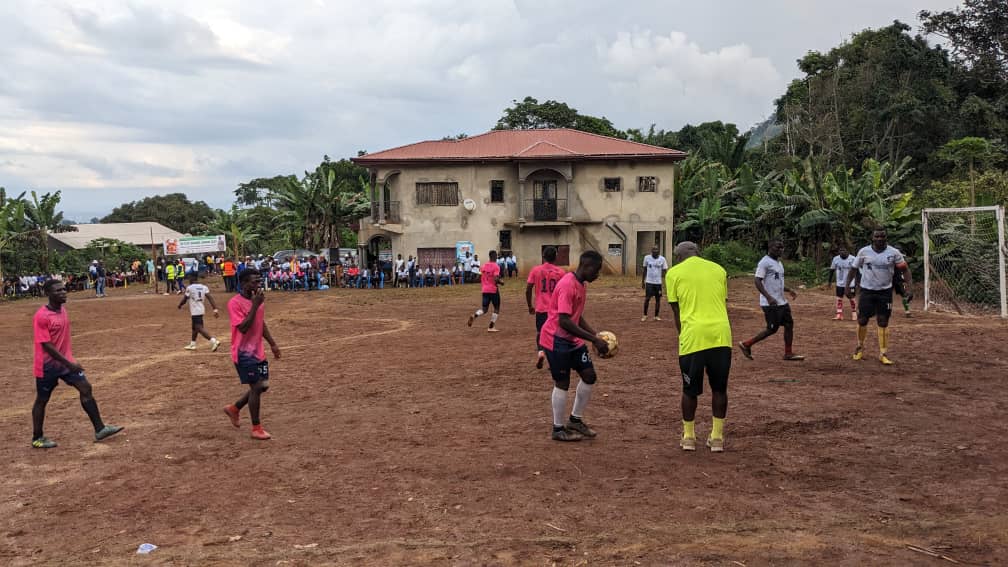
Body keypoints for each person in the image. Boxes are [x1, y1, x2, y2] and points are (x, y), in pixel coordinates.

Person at [30, 279, 124, 449]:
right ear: (48, 294)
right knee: (42, 400)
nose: (63, 292)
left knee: (86, 388)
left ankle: (100, 429)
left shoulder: (63, 310)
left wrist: (69, 361)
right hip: (48, 366)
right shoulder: (41, 316)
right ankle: (37, 437)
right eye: (58, 291)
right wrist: (69, 363)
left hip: (66, 362)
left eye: (64, 289)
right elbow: (46, 345)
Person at [665, 241, 732, 452]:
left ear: (678, 256)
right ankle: (717, 438)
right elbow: (721, 301)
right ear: (698, 252)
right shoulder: (719, 270)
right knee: (720, 388)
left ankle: (689, 436)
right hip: (721, 336)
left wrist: (683, 336)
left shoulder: (673, 273)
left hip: (693, 336)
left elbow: (677, 312)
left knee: (689, 390)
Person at [539, 250, 610, 442]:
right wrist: (594, 340)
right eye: (596, 270)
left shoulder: (581, 284)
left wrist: (595, 334)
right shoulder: (568, 285)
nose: (598, 274)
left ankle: (575, 420)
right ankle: (558, 428)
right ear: (586, 267)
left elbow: (576, 315)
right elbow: (564, 321)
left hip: (572, 340)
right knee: (562, 383)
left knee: (589, 376)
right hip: (556, 340)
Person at [222, 269, 281, 440]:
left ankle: (234, 408)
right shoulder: (235, 303)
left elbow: (260, 323)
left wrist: (273, 344)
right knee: (256, 387)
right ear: (243, 284)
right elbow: (243, 327)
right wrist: (255, 305)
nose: (258, 284)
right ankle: (256, 428)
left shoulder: (258, 300)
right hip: (243, 353)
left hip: (258, 351)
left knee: (263, 386)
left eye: (259, 281)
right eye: (254, 282)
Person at [844, 228, 912, 365]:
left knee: (883, 321)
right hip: (866, 291)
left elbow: (905, 270)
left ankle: (883, 353)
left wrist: (909, 287)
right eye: (877, 236)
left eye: (882, 236)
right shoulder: (863, 252)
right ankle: (859, 347)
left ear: (886, 238)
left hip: (885, 292)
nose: (880, 239)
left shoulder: (894, 253)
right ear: (872, 238)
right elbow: (853, 269)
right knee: (862, 320)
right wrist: (847, 286)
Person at [738, 239, 804, 361]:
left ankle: (788, 353)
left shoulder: (779, 263)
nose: (780, 250)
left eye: (782, 247)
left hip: (781, 302)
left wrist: (789, 290)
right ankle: (746, 344)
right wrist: (768, 297)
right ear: (770, 248)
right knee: (772, 329)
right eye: (777, 247)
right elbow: (757, 280)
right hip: (770, 303)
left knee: (789, 324)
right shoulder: (764, 262)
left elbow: (776, 282)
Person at [526, 246, 566, 369]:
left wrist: (530, 306)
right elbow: (564, 291)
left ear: (543, 257)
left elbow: (528, 289)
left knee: (540, 332)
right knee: (556, 335)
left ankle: (541, 352)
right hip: (555, 310)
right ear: (556, 257)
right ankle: (553, 360)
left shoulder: (536, 270)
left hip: (541, 309)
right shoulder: (560, 272)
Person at [178, 273, 221, 351]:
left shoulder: (190, 288)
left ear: (191, 279)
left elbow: (185, 299)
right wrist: (215, 309)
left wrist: (180, 305)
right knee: (194, 327)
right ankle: (192, 344)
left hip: (195, 310)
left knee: (199, 327)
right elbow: (210, 298)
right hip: (201, 309)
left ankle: (214, 341)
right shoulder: (204, 287)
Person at [467, 250, 504, 332]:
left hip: (484, 289)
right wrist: (501, 282)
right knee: (496, 308)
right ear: (494, 256)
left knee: (484, 309)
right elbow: (496, 279)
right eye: (496, 256)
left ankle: (475, 315)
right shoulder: (496, 266)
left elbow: (479, 277)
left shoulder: (483, 266)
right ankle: (491, 327)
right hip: (493, 290)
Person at [641, 246, 668, 321]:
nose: (655, 252)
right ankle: (645, 315)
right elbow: (644, 270)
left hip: (658, 283)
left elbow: (665, 271)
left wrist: (668, 281)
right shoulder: (647, 258)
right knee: (647, 298)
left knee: (658, 299)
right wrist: (642, 281)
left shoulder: (662, 259)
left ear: (659, 252)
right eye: (654, 250)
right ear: (651, 251)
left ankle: (656, 316)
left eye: (657, 251)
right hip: (649, 282)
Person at [830, 247, 858, 320]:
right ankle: (839, 314)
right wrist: (829, 281)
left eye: (844, 250)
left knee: (851, 298)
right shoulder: (836, 259)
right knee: (839, 298)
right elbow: (832, 270)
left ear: (847, 251)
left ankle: (854, 313)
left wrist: (857, 282)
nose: (842, 252)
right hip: (840, 283)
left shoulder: (853, 259)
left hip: (850, 283)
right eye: (840, 250)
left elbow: (857, 271)